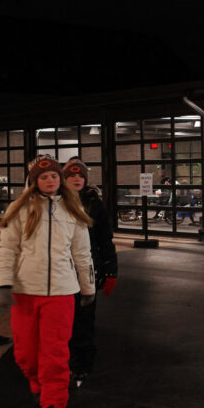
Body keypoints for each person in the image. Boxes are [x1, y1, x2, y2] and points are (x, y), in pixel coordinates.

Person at [0, 155, 95, 408]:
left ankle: (53, 401)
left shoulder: (73, 209)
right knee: (25, 353)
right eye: (43, 177)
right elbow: (7, 250)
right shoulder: (19, 208)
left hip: (62, 292)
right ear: (34, 181)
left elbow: (82, 253)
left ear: (60, 179)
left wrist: (88, 287)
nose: (50, 180)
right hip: (26, 291)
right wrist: (3, 283)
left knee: (55, 351)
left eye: (53, 176)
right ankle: (38, 386)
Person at [63, 157, 118, 387]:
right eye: (72, 175)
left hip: (87, 270)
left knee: (84, 320)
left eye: (81, 175)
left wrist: (110, 270)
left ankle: (82, 365)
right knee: (63, 321)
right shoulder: (55, 203)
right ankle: (64, 362)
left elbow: (105, 239)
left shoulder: (95, 204)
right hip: (62, 273)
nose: (77, 179)